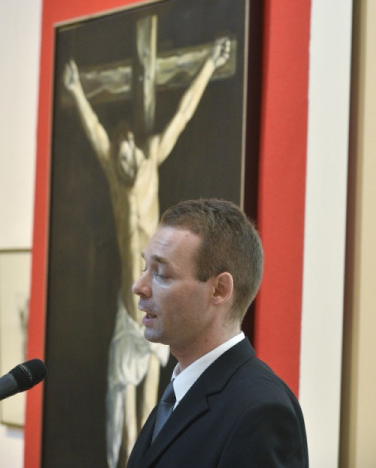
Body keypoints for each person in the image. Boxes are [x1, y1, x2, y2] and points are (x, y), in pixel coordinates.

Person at [63, 38, 231, 467]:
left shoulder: (152, 159)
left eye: (127, 157)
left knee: (149, 402)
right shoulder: (117, 183)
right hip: (128, 306)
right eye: (118, 160)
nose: (124, 165)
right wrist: (77, 90)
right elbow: (95, 133)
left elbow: (183, 115)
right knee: (121, 401)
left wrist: (208, 64)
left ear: (137, 146)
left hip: (153, 299)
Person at [127, 198, 309, 467]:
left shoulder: (260, 411)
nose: (139, 286)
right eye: (145, 268)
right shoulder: (179, 394)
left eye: (161, 274)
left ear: (219, 290)